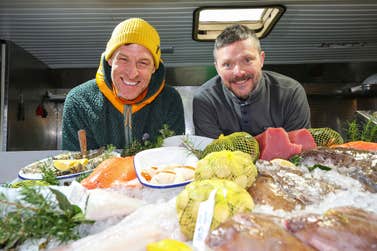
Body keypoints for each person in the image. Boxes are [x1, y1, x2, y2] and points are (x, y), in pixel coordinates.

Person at [62, 18, 185, 151]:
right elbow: (74, 165)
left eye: (143, 62)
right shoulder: (79, 101)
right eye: (123, 59)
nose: (132, 74)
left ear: (154, 67)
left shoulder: (170, 100)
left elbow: (173, 161)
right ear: (109, 59)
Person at [193, 24, 310, 139]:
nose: (238, 72)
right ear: (217, 69)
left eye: (247, 60)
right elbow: (211, 153)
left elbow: (298, 152)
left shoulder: (291, 93)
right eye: (227, 64)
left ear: (261, 59)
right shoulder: (205, 100)